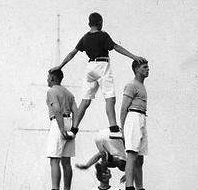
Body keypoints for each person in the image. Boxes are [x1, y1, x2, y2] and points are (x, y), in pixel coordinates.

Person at [49, 12, 147, 140]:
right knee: (110, 98)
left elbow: (73, 53)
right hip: (102, 65)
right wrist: (133, 57)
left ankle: (74, 129)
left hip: (90, 68)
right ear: (100, 22)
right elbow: (116, 47)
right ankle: (113, 128)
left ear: (89, 24)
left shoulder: (85, 37)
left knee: (85, 100)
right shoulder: (103, 35)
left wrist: (60, 66)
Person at [119, 59, 157, 190]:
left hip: (142, 118)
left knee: (140, 158)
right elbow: (123, 108)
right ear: (137, 69)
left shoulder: (142, 86)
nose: (148, 69)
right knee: (132, 155)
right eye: (145, 67)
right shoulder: (131, 85)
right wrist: (122, 129)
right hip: (133, 117)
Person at [42, 68, 78, 190]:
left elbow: (56, 108)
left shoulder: (51, 91)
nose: (47, 80)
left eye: (48, 77)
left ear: (52, 78)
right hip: (69, 122)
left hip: (58, 123)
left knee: (54, 159)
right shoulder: (69, 93)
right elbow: (77, 111)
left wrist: (61, 128)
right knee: (66, 161)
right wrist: (74, 129)